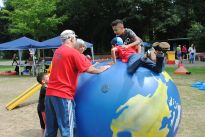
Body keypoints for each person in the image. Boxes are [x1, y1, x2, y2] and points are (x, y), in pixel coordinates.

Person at [45, 29, 110, 137]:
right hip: (63, 95)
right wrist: (101, 69)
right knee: (68, 130)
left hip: (50, 94)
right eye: (75, 38)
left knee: (51, 130)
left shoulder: (58, 51)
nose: (75, 40)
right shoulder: (73, 52)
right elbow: (90, 69)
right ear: (71, 39)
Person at [36, 73, 49, 137]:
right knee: (45, 124)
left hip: (42, 108)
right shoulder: (44, 88)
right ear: (43, 81)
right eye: (48, 77)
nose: (49, 78)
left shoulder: (46, 86)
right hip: (42, 109)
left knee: (44, 124)